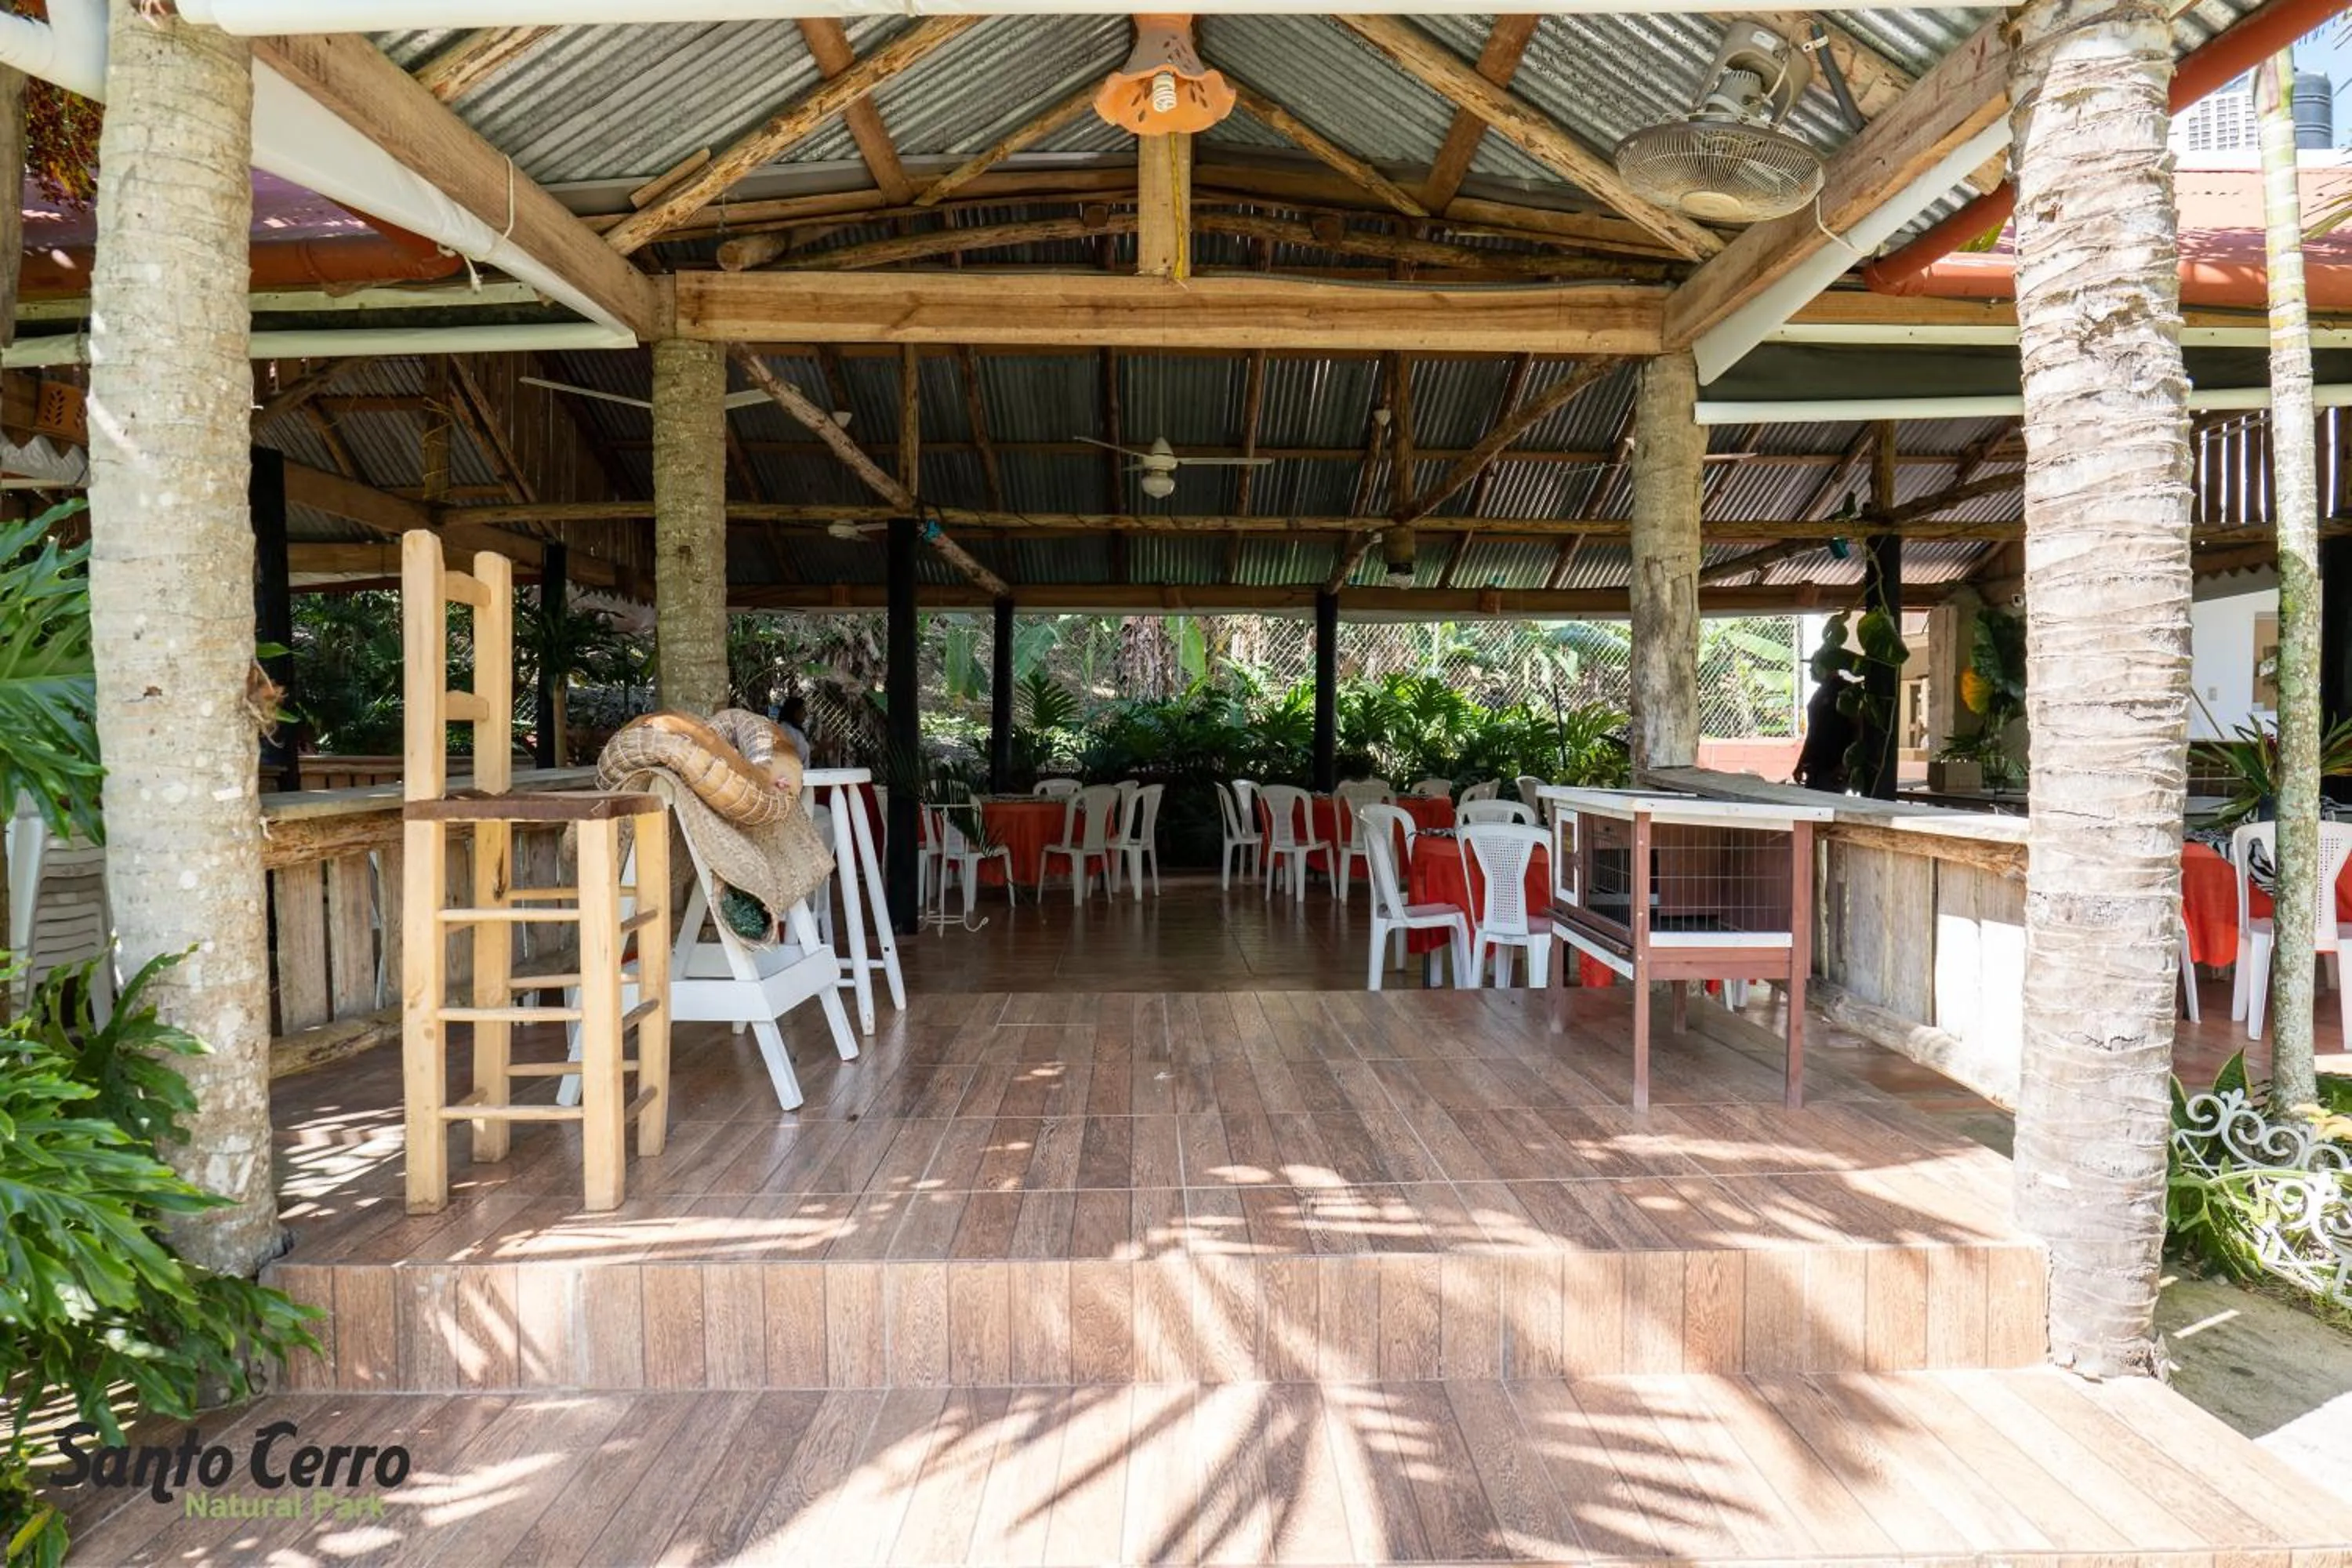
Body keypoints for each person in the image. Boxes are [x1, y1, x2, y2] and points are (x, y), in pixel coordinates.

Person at [775, 695, 813, 769]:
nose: (805, 714)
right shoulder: (788, 731)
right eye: (803, 710)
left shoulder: (788, 729)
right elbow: (800, 756)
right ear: (796, 712)